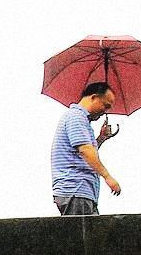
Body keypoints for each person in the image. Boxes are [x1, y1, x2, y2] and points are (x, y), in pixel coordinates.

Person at [50, 81, 122, 216]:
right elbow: (85, 151)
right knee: (84, 235)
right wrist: (107, 177)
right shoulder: (76, 117)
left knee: (92, 234)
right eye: (105, 105)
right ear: (93, 97)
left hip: (80, 191)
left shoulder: (80, 119)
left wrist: (101, 138)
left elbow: (80, 153)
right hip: (76, 189)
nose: (105, 111)